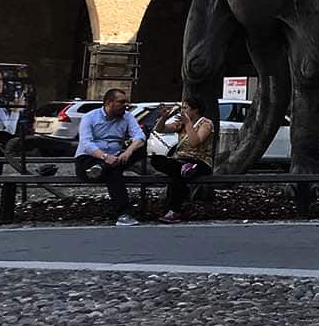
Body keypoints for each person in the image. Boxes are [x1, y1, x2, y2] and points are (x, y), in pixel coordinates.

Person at [73, 89, 146, 226]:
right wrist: (105, 157)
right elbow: (86, 143)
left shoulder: (127, 116)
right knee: (114, 174)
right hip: (91, 157)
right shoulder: (90, 117)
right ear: (109, 103)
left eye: (126, 102)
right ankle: (124, 214)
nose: (125, 105)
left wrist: (128, 151)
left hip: (117, 157)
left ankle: (101, 168)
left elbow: (140, 136)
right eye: (121, 102)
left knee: (140, 149)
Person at [150, 95, 217, 223]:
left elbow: (194, 142)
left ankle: (174, 211)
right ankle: (183, 172)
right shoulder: (180, 123)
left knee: (177, 177)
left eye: (185, 108)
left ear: (195, 110)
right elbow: (159, 129)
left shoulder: (206, 124)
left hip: (200, 162)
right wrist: (164, 117)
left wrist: (188, 124)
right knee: (156, 160)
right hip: (181, 161)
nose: (183, 111)